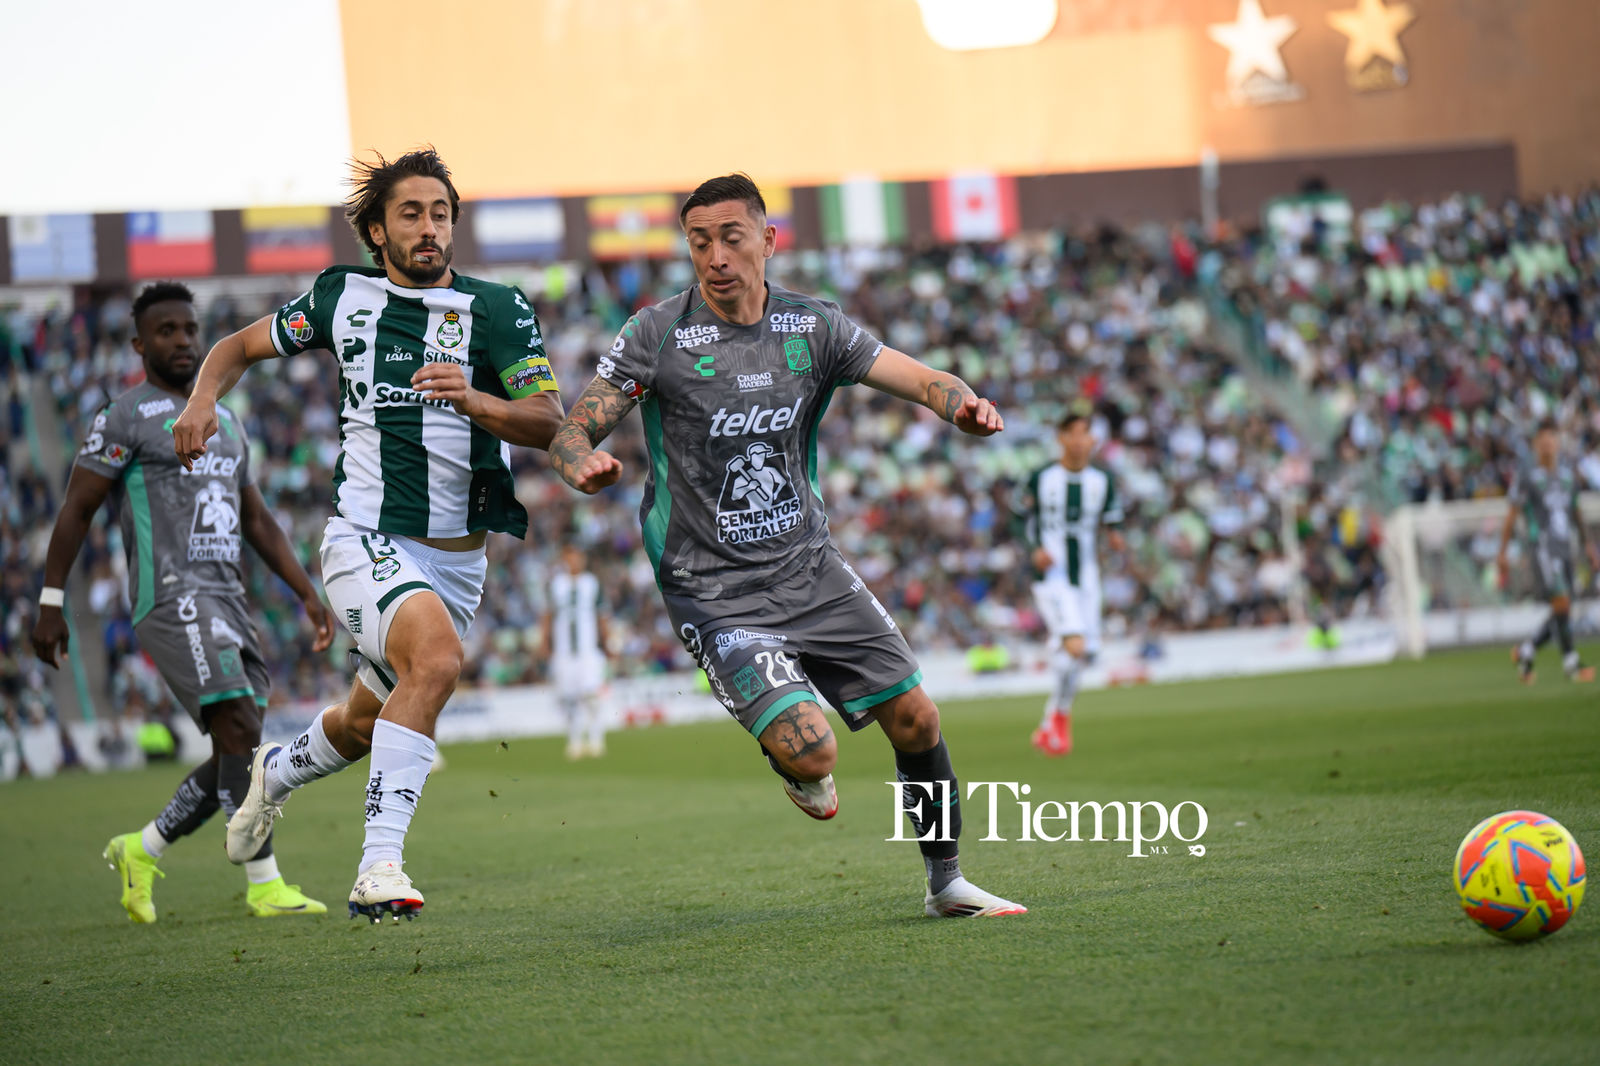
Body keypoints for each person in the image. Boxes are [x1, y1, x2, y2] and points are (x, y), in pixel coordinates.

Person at [548, 174, 1024, 918]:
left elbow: (922, 377)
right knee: (815, 750)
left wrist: (958, 404)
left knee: (919, 718)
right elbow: (575, 425)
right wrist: (580, 460)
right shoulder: (656, 334)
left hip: (809, 566)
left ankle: (947, 882)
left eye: (731, 237)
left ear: (768, 241)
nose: (715, 256)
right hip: (711, 586)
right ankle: (796, 766)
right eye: (698, 241)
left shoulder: (814, 327)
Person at [170, 148, 564, 922]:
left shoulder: (498, 308)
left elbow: (548, 421)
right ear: (378, 231)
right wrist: (201, 399)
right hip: (364, 536)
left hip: (459, 561)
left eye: (441, 213)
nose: (429, 228)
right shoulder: (339, 296)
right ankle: (379, 865)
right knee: (439, 661)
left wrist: (475, 401)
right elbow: (236, 348)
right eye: (411, 214)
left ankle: (273, 773)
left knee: (362, 721)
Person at [31, 281, 335, 923]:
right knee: (241, 733)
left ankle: (143, 848)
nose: (182, 341)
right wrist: (52, 600)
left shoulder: (228, 419)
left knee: (237, 750)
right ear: (140, 344)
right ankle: (264, 883)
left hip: (228, 597)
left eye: (189, 330)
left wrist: (307, 593)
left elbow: (256, 520)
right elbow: (77, 508)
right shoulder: (124, 417)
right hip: (172, 596)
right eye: (166, 331)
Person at [1017, 408, 1126, 756]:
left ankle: (1052, 721)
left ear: (1093, 439)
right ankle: (1059, 719)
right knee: (1076, 647)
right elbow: (1019, 518)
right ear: (1062, 438)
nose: (1080, 442)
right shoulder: (1041, 477)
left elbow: (1113, 521)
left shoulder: (1102, 480)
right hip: (1052, 576)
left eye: (1086, 434)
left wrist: (1115, 537)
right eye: (1073, 434)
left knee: (1080, 654)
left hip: (1087, 576)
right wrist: (1034, 549)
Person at [1498, 418, 1597, 684]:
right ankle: (1571, 663)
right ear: (1535, 444)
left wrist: (1589, 546)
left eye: (1552, 438)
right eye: (1542, 439)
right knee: (1562, 602)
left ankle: (1526, 650)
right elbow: (1512, 514)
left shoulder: (1567, 476)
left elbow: (1576, 511)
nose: (1548, 443)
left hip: (1566, 547)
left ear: (1558, 442)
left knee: (1563, 608)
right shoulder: (1527, 475)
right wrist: (1502, 552)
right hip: (1542, 546)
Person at [542, 544, 611, 759]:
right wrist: (544, 642)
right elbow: (548, 615)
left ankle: (596, 739)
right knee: (569, 698)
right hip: (564, 651)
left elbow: (602, 615)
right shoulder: (556, 584)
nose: (574, 561)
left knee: (591, 696)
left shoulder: (592, 583)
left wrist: (608, 642)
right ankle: (574, 741)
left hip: (587, 650)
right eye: (570, 557)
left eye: (577, 557)